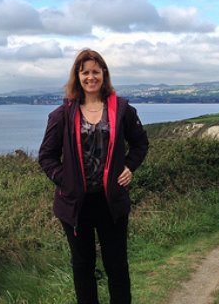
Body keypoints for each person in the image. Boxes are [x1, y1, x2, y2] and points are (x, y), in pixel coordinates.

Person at [39, 49, 149, 304]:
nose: (91, 77)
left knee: (117, 266)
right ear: (77, 76)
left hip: (111, 201)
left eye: (95, 72)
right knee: (83, 266)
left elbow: (140, 143)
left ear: (104, 74)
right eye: (85, 72)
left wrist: (130, 167)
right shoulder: (62, 115)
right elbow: (46, 156)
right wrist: (65, 180)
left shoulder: (122, 110)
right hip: (76, 204)